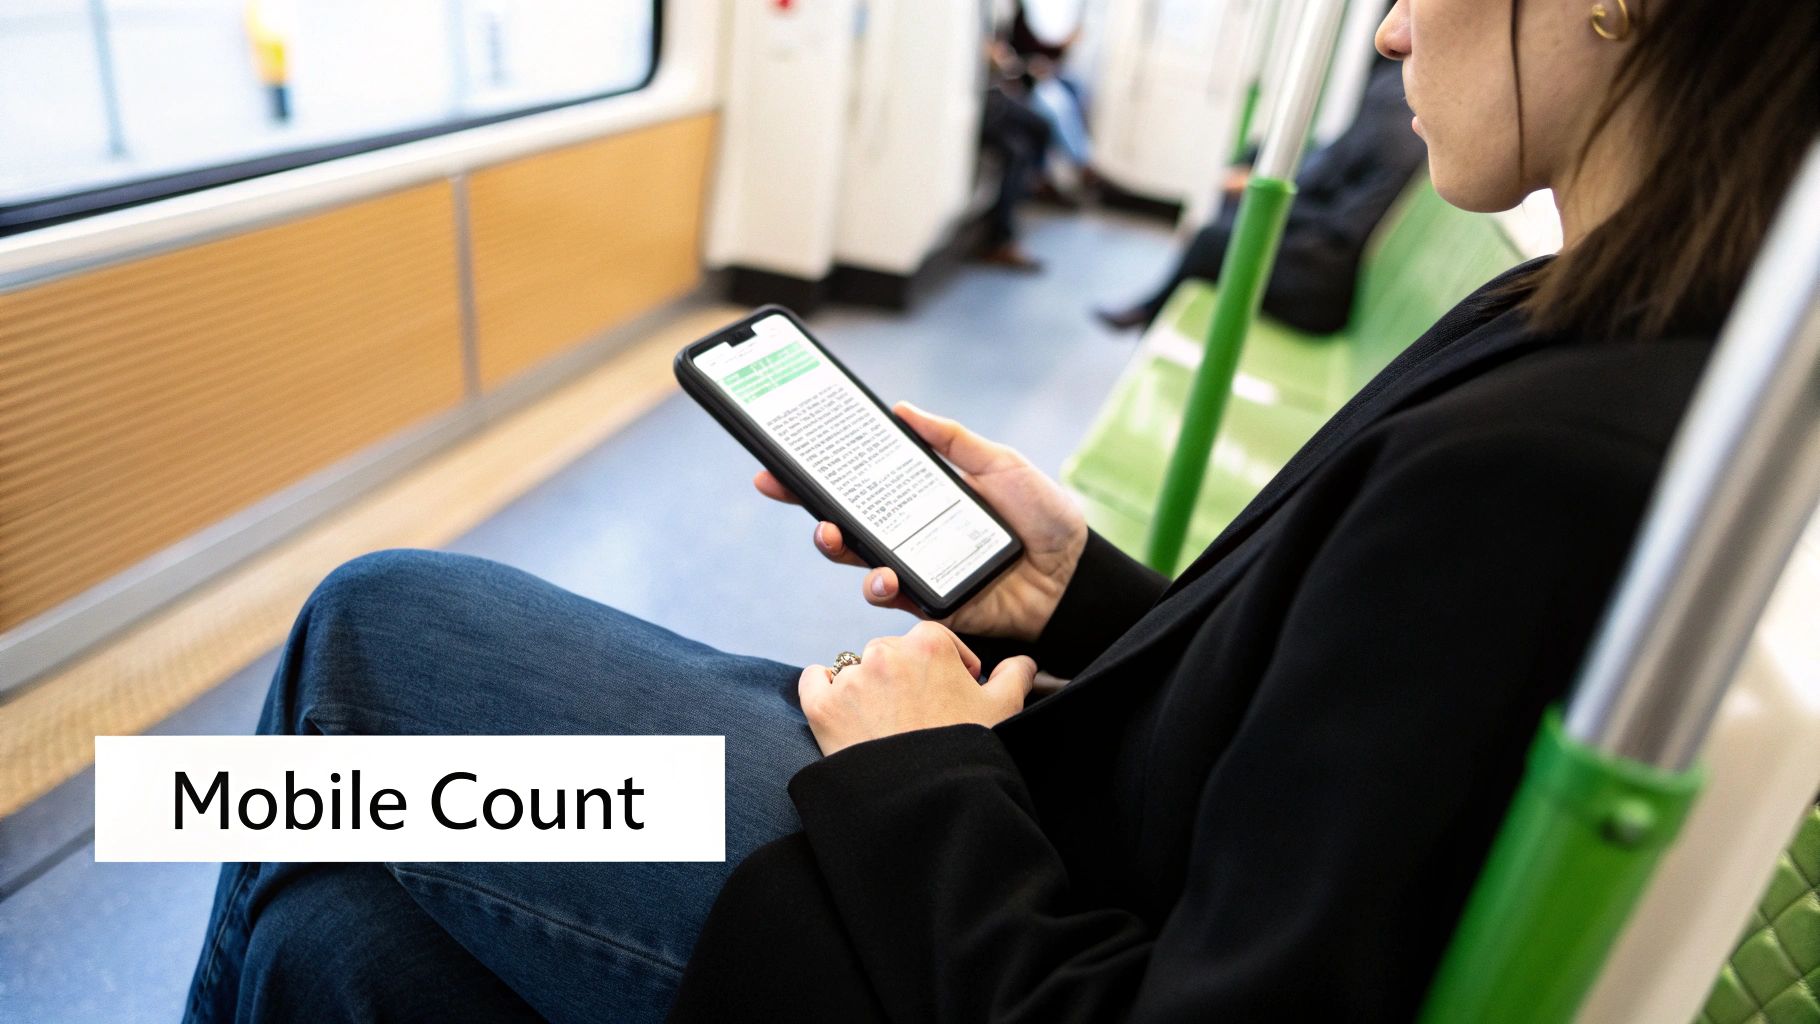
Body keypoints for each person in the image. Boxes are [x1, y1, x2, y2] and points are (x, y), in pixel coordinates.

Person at [185, 0, 1819, 1020]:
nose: (1391, 28)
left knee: (371, 627)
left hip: (960, 903)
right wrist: (1076, 593)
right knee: (328, 935)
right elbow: (1327, 738)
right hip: (1030, 829)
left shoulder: (1554, 454)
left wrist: (920, 766)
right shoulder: (1598, 333)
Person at [1096, 55, 1426, 334]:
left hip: (1318, 284)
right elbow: (1331, 162)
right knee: (1253, 155)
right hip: (1314, 236)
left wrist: (1267, 195)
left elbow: (1344, 226)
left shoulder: (1400, 139)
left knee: (1210, 240)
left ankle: (1149, 315)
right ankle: (1160, 305)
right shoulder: (1386, 103)